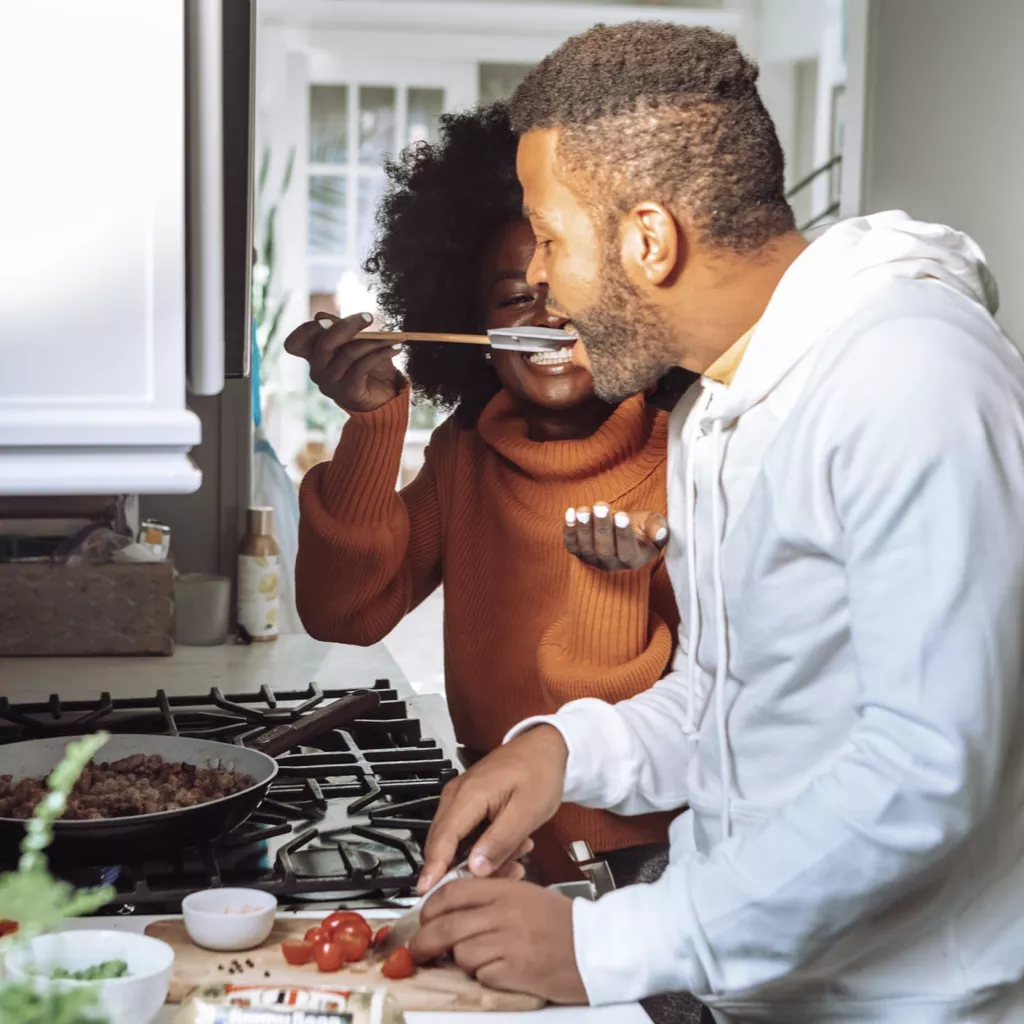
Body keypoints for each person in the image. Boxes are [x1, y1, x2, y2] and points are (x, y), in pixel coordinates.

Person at [411, 22, 1024, 1024]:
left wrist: (606, 944)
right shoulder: (715, 407)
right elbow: (731, 696)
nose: (537, 283)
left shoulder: (912, 380)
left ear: (648, 240)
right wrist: (558, 751)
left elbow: (926, 771)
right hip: (745, 992)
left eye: (552, 238)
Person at [285, 104, 695, 904]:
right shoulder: (466, 456)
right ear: (466, 322)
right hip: (496, 849)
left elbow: (677, 723)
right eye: (516, 298)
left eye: (579, 288)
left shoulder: (694, 461)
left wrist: (612, 589)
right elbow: (344, 614)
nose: (550, 319)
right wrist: (371, 427)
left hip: (648, 871)